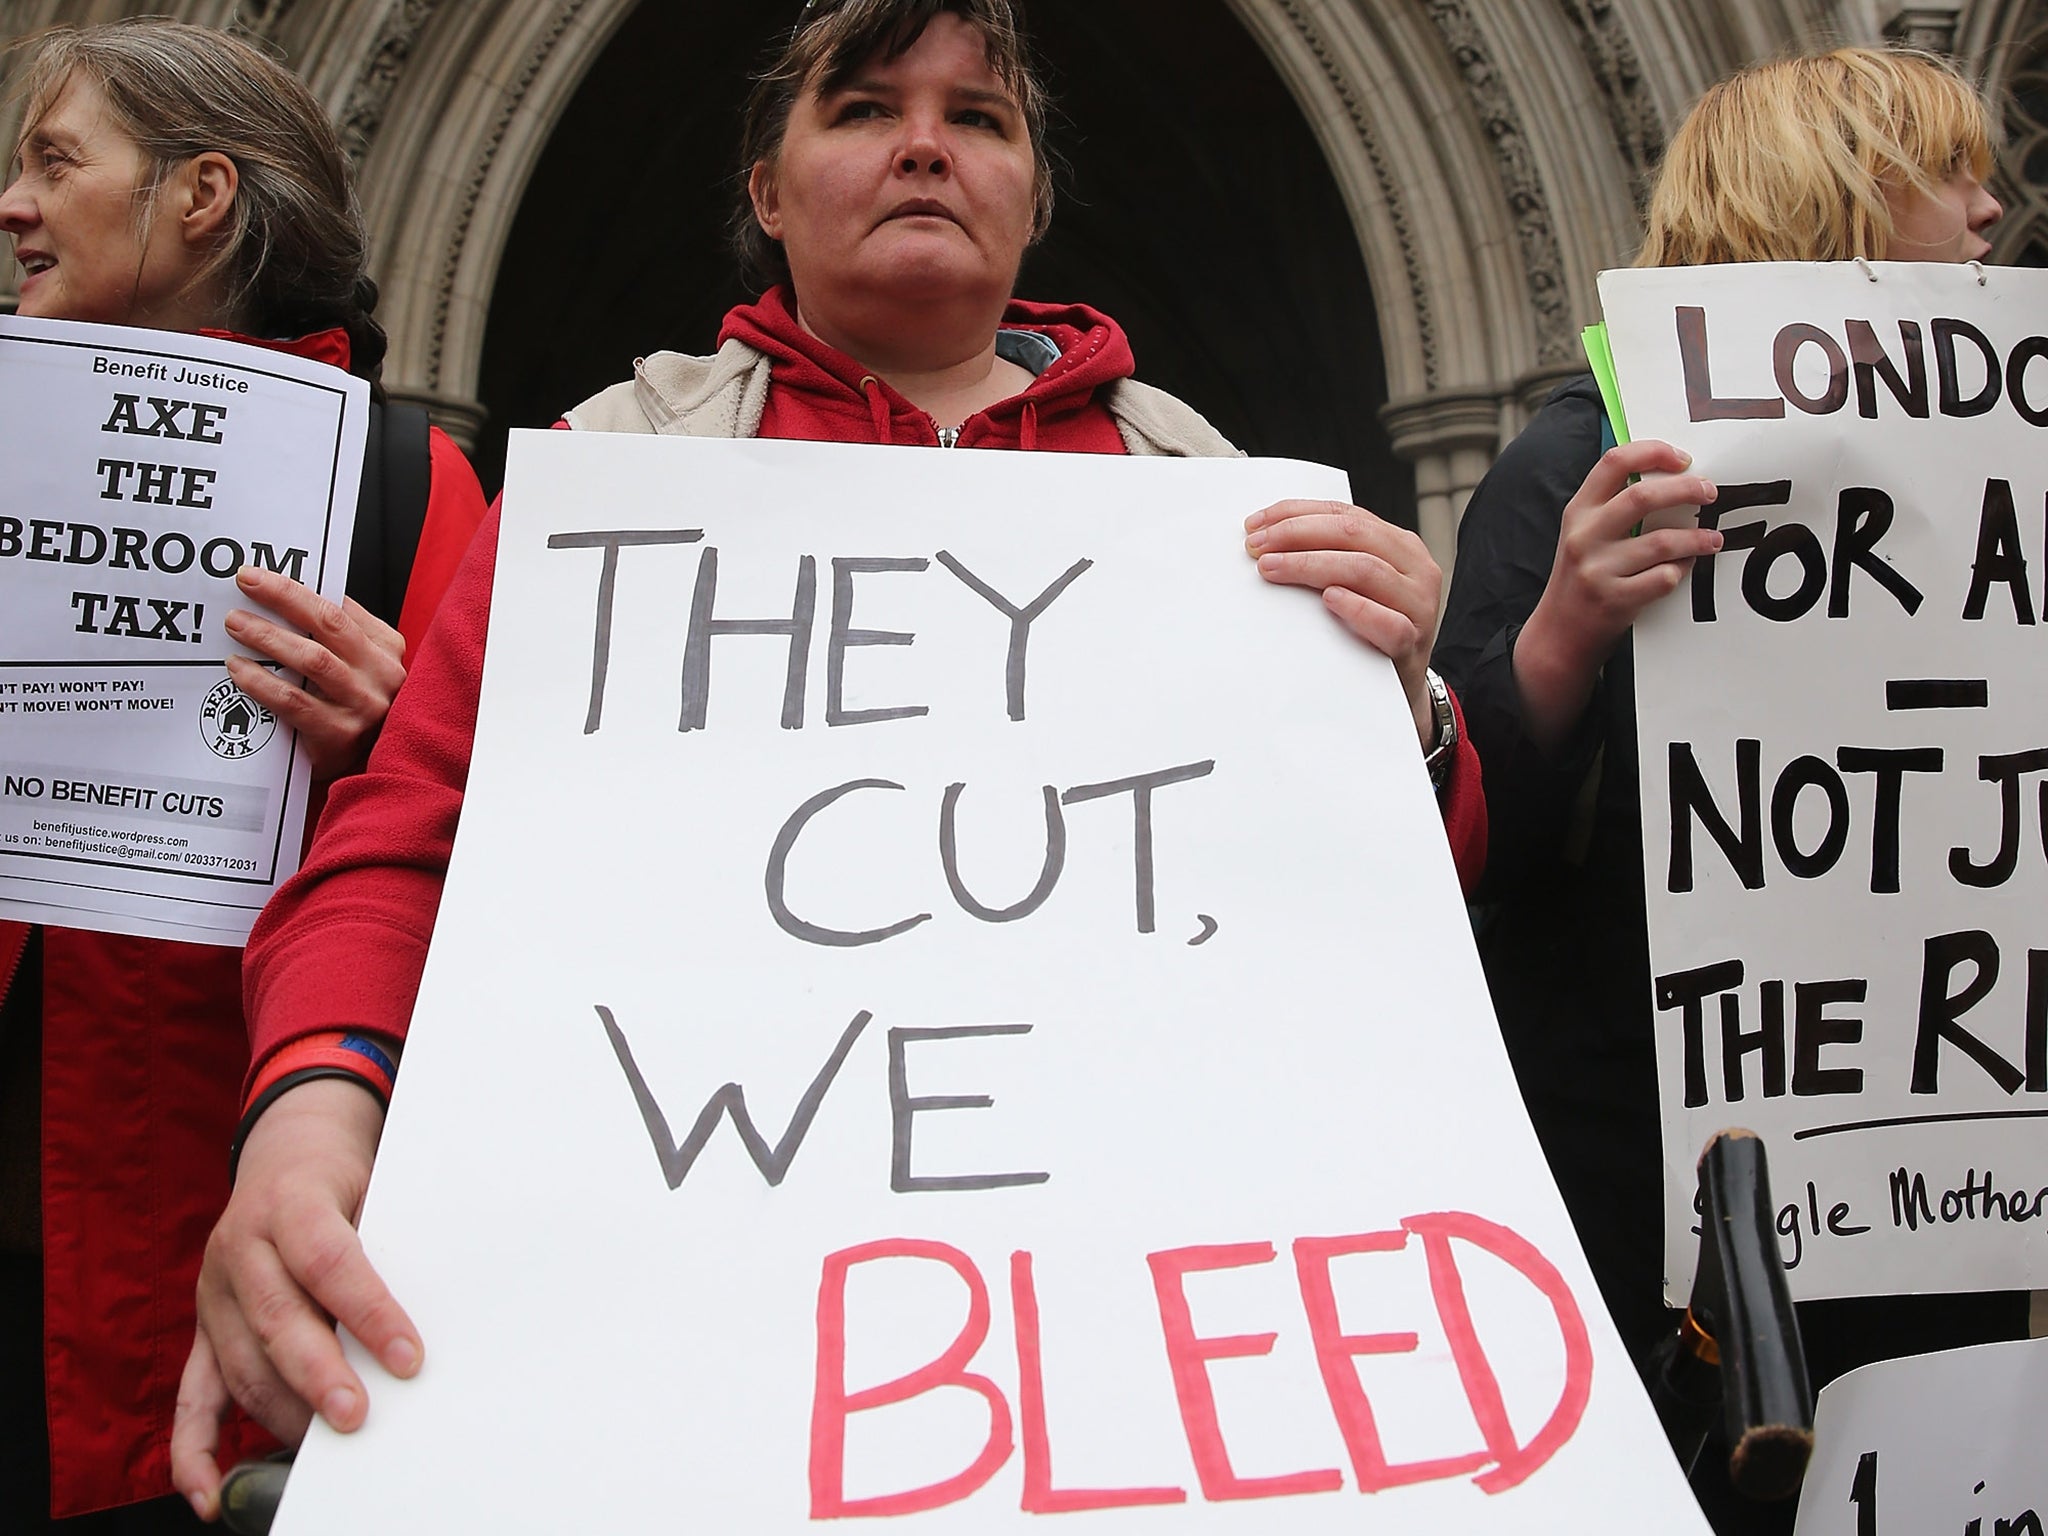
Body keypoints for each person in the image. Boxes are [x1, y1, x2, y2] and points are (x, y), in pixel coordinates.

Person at [167, 0, 1484, 1515]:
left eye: (978, 117)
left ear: (1033, 195)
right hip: (694, 1341)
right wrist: (308, 1119)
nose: (925, 143)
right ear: (768, 191)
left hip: (1123, 1358)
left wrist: (1409, 707)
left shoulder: (1208, 494)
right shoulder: (614, 475)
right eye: (862, 107)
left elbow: (1399, 913)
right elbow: (406, 847)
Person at [1431, 44, 2016, 1532]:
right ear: (1838, 189)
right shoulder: (1575, 463)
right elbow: (1464, 841)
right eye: (1954, 174)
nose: (1994, 211)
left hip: (1921, 1194)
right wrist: (1570, 618)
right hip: (1656, 1218)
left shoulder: (1996, 487)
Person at [0, 20, 489, 1531]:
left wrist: (378, 748)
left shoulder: (412, 487)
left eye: (53, 162)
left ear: (201, 194)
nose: (13, 205)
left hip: (211, 1232)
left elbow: (481, 878)